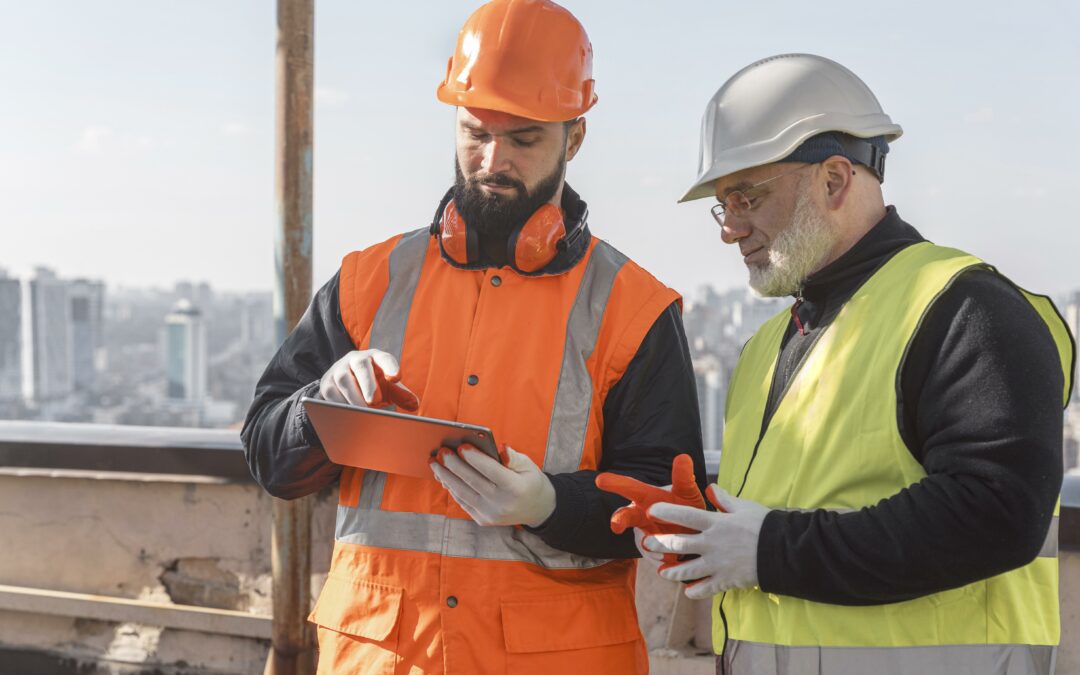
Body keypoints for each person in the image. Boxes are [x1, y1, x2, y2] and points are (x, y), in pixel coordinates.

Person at [240, 1, 706, 673]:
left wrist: (551, 503)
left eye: (523, 139)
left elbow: (667, 501)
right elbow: (267, 453)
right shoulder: (368, 280)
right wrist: (322, 404)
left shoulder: (633, 308)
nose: (494, 159)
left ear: (574, 138)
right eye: (474, 132)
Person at [635, 53, 1074, 674]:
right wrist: (707, 532)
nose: (730, 228)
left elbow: (997, 513)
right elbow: (807, 503)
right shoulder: (769, 347)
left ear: (835, 180)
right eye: (723, 204)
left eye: (747, 197)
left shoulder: (967, 308)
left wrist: (767, 550)